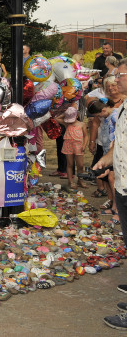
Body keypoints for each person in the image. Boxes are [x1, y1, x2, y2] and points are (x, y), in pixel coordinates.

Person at [93, 59, 127, 330]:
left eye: (120, 75)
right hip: (123, 184)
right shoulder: (123, 106)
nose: (115, 80)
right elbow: (119, 141)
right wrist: (107, 160)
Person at [59, 109, 88, 189]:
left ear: (77, 116)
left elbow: (86, 136)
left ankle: (80, 180)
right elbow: (56, 118)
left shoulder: (82, 124)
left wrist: (84, 145)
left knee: (80, 165)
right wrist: (65, 114)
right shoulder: (66, 124)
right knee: (70, 164)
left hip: (78, 146)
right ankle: (70, 181)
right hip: (68, 145)